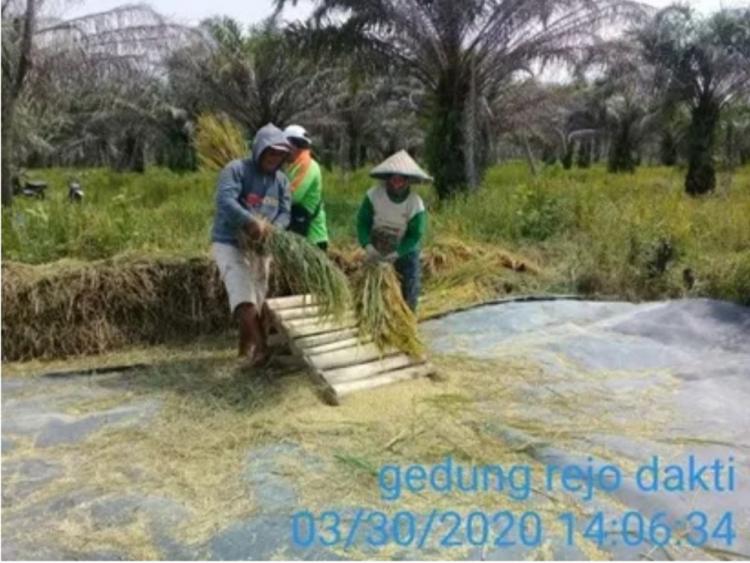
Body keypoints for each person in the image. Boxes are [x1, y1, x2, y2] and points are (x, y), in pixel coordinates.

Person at [211, 123, 291, 368]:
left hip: (260, 248)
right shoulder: (236, 170)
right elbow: (225, 200)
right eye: (269, 152)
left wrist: (273, 230)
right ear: (258, 150)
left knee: (256, 299)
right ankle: (262, 348)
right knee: (243, 295)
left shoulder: (281, 181)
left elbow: (285, 213)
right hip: (230, 242)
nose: (273, 158)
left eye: (279, 154)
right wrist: (249, 222)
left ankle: (245, 351)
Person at [356, 150, 430, 312]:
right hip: (378, 244)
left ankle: (407, 319)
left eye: (401, 180)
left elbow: (415, 235)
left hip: (405, 249)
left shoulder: (414, 203)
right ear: (388, 178)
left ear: (407, 181)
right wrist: (367, 245)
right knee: (374, 290)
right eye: (393, 179)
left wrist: (398, 252)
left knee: (408, 290)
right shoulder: (374, 195)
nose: (396, 183)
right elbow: (362, 223)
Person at [282, 124, 329, 252]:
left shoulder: (307, 166)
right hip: (299, 234)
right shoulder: (293, 166)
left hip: (312, 237)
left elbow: (293, 196)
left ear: (293, 145)